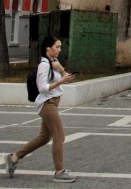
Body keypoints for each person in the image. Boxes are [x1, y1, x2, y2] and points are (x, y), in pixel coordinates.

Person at [6, 34, 78, 182]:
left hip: (53, 102)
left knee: (44, 137)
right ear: (48, 48)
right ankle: (59, 172)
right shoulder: (44, 65)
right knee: (59, 135)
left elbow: (66, 78)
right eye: (57, 47)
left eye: (60, 47)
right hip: (47, 103)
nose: (59, 50)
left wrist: (61, 69)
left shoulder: (54, 62)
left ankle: (14, 158)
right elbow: (42, 88)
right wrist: (60, 81)